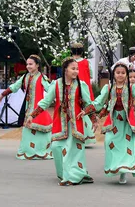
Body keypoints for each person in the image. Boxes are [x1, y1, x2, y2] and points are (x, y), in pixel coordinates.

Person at [28, 57, 96, 186]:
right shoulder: (57, 84)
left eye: (77, 69)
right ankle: (64, 173)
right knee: (56, 147)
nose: (76, 71)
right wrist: (33, 115)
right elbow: (46, 101)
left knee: (74, 150)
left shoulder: (81, 85)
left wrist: (93, 119)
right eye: (73, 68)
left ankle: (74, 175)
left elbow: (88, 103)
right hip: (60, 123)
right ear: (65, 69)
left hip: (76, 123)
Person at [0, 55, 52, 160]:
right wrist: (2, 95)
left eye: (31, 64)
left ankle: (42, 151)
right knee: (28, 131)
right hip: (28, 109)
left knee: (41, 131)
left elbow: (50, 90)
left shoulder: (42, 77)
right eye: (27, 64)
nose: (28, 66)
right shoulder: (25, 77)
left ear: (37, 65)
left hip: (38, 109)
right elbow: (14, 87)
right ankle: (29, 152)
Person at [70, 42, 96, 145]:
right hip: (84, 88)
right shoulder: (86, 62)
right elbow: (91, 75)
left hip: (73, 88)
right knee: (84, 111)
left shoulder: (69, 62)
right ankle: (87, 136)